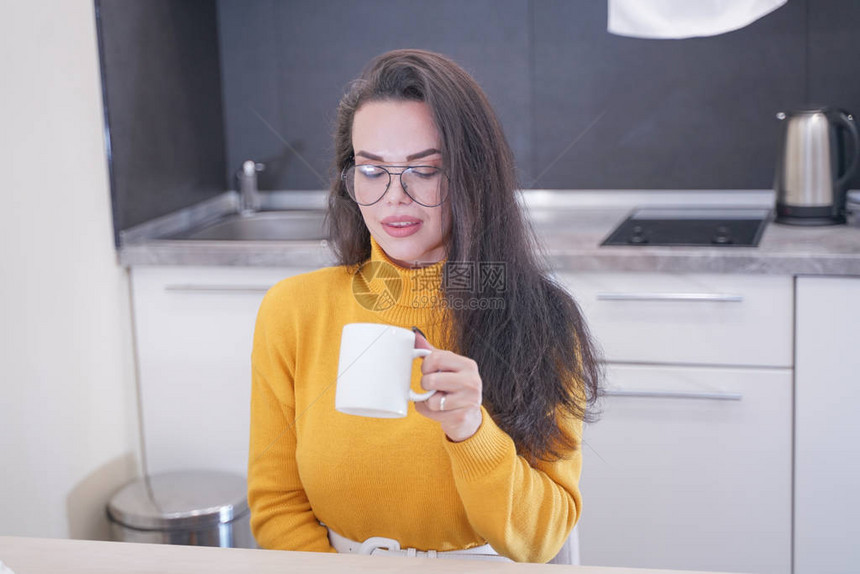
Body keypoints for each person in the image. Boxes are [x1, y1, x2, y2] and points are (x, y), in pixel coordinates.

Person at [247, 49, 602, 563]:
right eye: (372, 170)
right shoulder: (292, 311)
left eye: (425, 171)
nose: (394, 197)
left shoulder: (543, 320)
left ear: (472, 176)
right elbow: (277, 506)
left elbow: (543, 537)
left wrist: (471, 431)